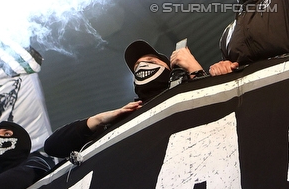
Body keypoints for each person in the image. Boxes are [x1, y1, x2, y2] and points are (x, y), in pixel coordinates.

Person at [43, 40, 207, 157]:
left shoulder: (188, 89)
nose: (142, 65)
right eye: (137, 67)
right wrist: (100, 120)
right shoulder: (124, 118)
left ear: (169, 68)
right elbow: (52, 147)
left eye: (150, 60)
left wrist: (195, 69)